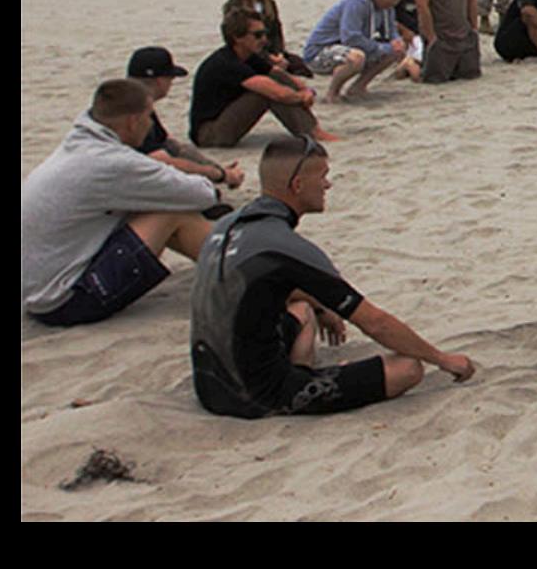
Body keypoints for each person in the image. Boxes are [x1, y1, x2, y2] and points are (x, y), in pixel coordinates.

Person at [189, 139, 476, 417]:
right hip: (254, 397)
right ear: (298, 185)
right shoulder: (285, 246)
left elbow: (261, 285)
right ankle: (295, 384)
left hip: (209, 386)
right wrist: (442, 359)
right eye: (323, 176)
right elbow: (375, 322)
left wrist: (322, 306)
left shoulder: (226, 226)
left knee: (303, 310)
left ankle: (297, 370)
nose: (327, 185)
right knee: (408, 368)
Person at [23, 79, 222, 325]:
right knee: (171, 212)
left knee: (149, 202)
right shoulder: (111, 162)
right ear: (133, 122)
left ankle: (224, 264)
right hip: (63, 301)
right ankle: (236, 270)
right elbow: (201, 195)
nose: (151, 124)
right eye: (149, 117)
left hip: (37, 290)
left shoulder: (78, 145)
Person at [191, 8, 330, 148]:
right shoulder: (226, 63)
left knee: (276, 78)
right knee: (268, 93)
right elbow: (277, 93)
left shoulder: (247, 56)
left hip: (224, 120)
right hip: (209, 134)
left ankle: (314, 130)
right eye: (257, 35)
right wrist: (301, 97)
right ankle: (311, 133)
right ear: (237, 37)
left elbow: (278, 73)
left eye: (265, 33)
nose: (264, 39)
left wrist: (305, 90)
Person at [126, 47, 243, 194]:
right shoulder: (137, 112)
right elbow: (163, 161)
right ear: (160, 81)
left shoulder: (127, 102)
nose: (171, 83)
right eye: (171, 78)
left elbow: (172, 145)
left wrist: (217, 169)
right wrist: (220, 175)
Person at [299, 0, 405, 102]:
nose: (387, 8)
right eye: (387, 4)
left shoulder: (386, 7)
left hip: (352, 47)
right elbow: (351, 38)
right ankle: (333, 93)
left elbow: (391, 30)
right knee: (356, 57)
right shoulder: (355, 2)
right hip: (320, 51)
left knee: (395, 51)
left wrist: (396, 41)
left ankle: (358, 87)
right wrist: (383, 48)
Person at [221, 0, 313, 78]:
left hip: (271, 49)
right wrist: (268, 57)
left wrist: (279, 53)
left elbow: (277, 32)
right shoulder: (235, 6)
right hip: (248, 52)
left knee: (299, 66)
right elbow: (238, 38)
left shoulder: (269, 4)